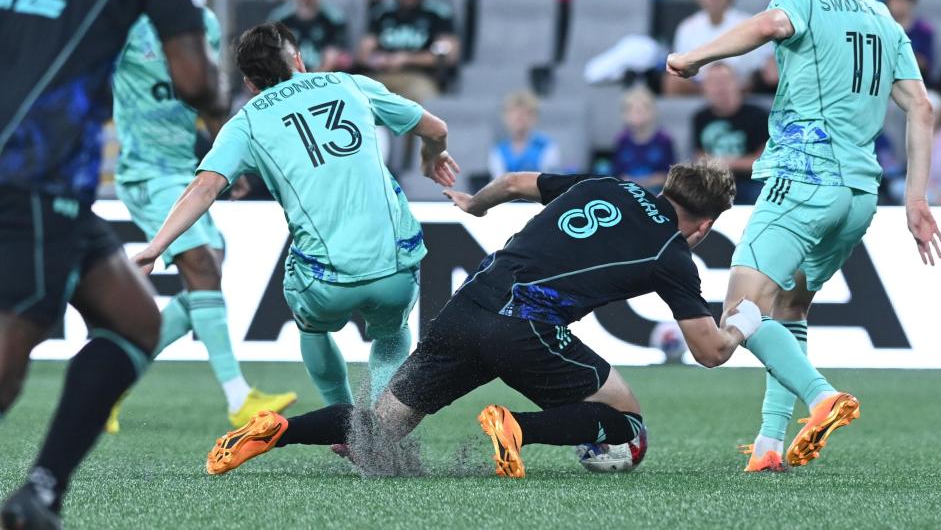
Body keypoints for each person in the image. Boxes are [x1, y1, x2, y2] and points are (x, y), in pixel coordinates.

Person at [201, 162, 822, 480]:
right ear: (705, 223)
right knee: (626, 421)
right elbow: (709, 351)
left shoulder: (603, 182)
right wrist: (742, 319)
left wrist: (476, 202)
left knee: (379, 430)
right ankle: (517, 429)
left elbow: (521, 182)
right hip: (525, 328)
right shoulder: (672, 253)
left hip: (466, 307)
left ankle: (277, 430)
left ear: (666, 185)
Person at [666, 0, 941, 473]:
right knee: (789, 308)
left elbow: (770, 25)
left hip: (802, 178)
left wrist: (694, 57)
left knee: (741, 310)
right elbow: (920, 107)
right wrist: (916, 199)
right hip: (859, 195)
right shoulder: (883, 18)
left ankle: (821, 398)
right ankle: (769, 444)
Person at [0, 0, 223, 527]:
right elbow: (191, 77)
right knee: (8, 368)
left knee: (134, 323)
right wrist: (223, 117)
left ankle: (39, 494)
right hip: (34, 165)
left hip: (50, 181)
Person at [132, 22, 459, 421]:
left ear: (251, 83)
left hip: (326, 282)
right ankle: (381, 423)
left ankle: (344, 418)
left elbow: (204, 188)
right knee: (391, 334)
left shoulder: (247, 121)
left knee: (312, 326)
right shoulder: (349, 84)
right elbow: (436, 129)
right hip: (395, 267)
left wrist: (156, 246)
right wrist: (431, 155)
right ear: (299, 60)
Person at [110, 8, 297, 432]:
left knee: (206, 277)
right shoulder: (122, 22)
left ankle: (111, 381)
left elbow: (210, 93)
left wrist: (223, 158)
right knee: (203, 268)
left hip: (184, 169)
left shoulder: (205, 24)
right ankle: (239, 399)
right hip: (146, 171)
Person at [357, 0, 460, 106]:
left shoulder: (438, 14)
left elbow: (449, 55)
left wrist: (407, 59)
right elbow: (363, 54)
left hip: (419, 76)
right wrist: (379, 59)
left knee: (421, 102)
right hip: (381, 75)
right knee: (357, 98)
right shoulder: (382, 14)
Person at [664, 0, 771, 95]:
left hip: (739, 86)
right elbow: (681, 67)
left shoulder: (746, 21)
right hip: (699, 87)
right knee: (672, 80)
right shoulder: (687, 26)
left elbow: (759, 65)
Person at [692, 62, 769, 204]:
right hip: (715, 183)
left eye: (723, 81)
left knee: (761, 195)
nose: (719, 88)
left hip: (751, 182)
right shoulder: (700, 117)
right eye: (713, 83)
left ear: (737, 83)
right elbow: (699, 156)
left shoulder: (758, 115)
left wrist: (726, 163)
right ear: (704, 88)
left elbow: (762, 161)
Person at [268, 0, 349, 73]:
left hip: (325, 80)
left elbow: (333, 56)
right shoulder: (279, 19)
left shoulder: (334, 18)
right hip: (289, 81)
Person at [613, 87, 675, 190]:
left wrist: (647, 182)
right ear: (624, 114)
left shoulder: (664, 140)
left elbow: (670, 175)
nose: (637, 113)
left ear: (653, 111)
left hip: (657, 193)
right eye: (631, 109)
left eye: (643, 109)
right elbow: (616, 174)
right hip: (628, 192)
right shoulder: (621, 140)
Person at [488, 90, 561, 178]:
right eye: (514, 114)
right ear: (505, 118)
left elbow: (550, 182)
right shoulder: (499, 150)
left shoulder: (546, 147)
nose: (519, 118)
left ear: (534, 117)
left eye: (525, 114)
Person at [884, 0, 935, 81]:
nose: (899, 4)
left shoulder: (924, 30)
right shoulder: (883, 29)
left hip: (918, 83)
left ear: (912, 1)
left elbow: (925, 64)